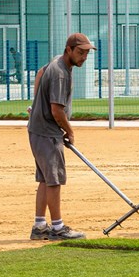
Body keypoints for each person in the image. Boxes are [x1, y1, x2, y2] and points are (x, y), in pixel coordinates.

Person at [27, 33, 96, 241]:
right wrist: (69, 131)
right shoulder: (60, 73)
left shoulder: (57, 63)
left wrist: (37, 102)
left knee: (46, 179)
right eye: (80, 52)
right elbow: (57, 110)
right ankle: (57, 228)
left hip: (38, 129)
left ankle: (39, 227)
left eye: (86, 53)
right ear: (69, 50)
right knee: (54, 180)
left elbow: (40, 72)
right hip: (47, 132)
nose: (83, 57)